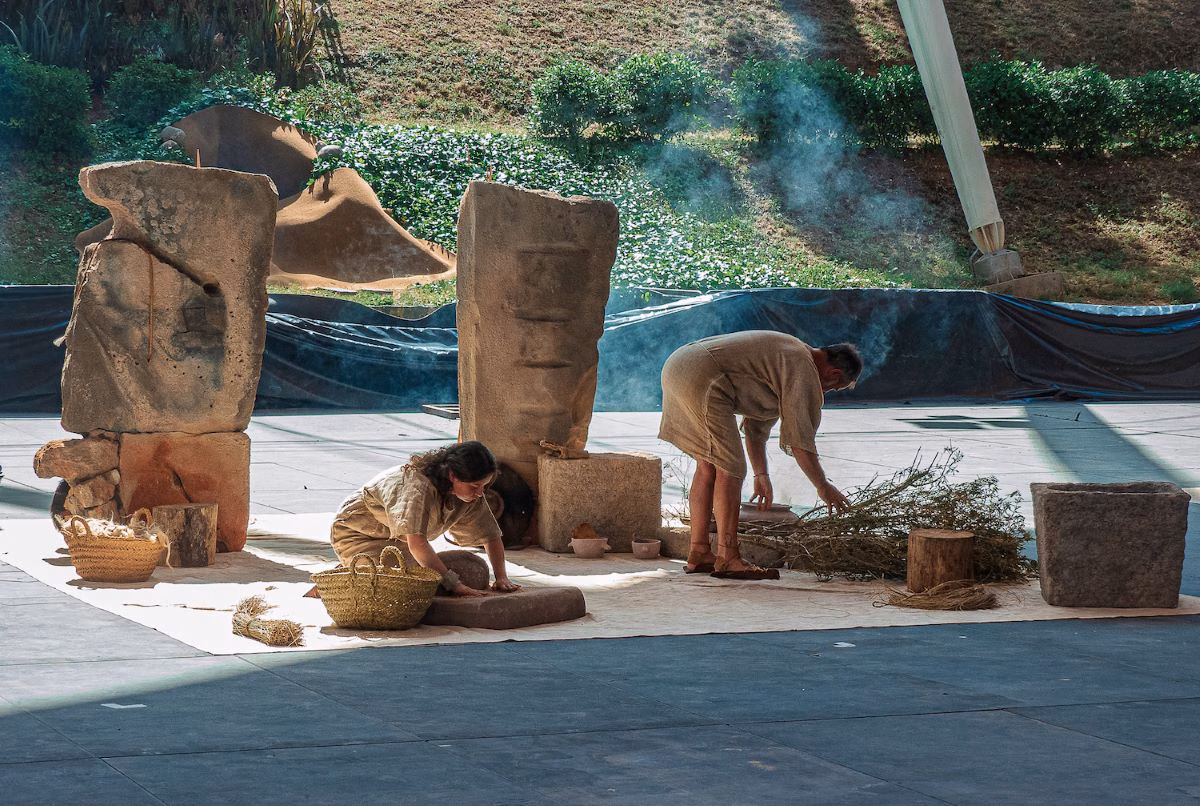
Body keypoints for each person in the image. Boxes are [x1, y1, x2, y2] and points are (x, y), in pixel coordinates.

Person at [659, 331, 862, 580]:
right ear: (834, 374)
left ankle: (699, 552)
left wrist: (761, 474)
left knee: (708, 464)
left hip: (680, 365)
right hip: (702, 375)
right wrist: (823, 486)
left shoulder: (788, 358)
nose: (825, 392)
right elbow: (801, 441)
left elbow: (756, 429)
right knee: (731, 467)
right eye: (832, 389)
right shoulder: (803, 366)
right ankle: (728, 557)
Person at [329, 441, 521, 596]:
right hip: (357, 537)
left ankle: (359, 569)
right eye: (475, 486)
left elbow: (490, 536)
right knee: (405, 587)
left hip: (397, 544)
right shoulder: (416, 487)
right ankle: (345, 576)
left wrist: (502, 578)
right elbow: (417, 543)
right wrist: (453, 585)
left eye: (483, 486)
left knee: (474, 571)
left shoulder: (468, 494)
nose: (480, 493)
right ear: (452, 475)